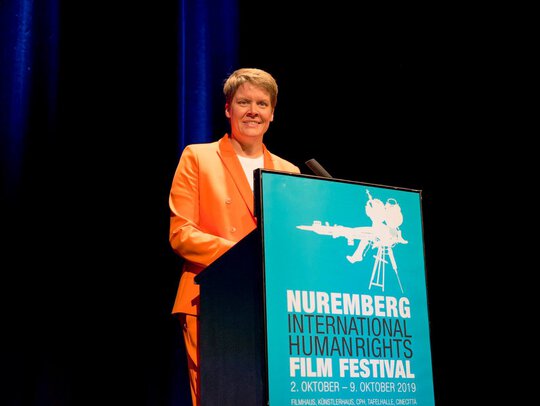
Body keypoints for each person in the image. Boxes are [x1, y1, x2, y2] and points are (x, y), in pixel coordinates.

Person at [168, 67, 301, 406]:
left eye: (262, 103)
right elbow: (182, 234)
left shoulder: (289, 172)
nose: (253, 111)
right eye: (244, 102)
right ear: (228, 109)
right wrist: (242, 257)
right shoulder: (198, 157)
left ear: (272, 113)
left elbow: (292, 244)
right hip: (211, 298)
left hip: (271, 304)